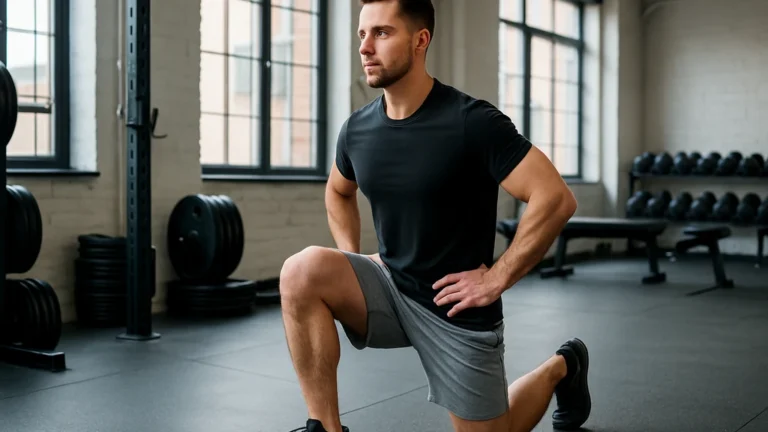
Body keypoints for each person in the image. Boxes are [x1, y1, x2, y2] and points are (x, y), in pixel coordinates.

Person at [280, 0, 591, 431]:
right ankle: (326, 428)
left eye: (382, 33)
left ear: (420, 40)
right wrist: (352, 257)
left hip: (455, 306)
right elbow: (338, 191)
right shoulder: (357, 129)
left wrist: (498, 276)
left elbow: (555, 198)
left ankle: (562, 366)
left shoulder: (471, 121)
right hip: (391, 287)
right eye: (361, 34)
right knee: (301, 270)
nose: (366, 47)